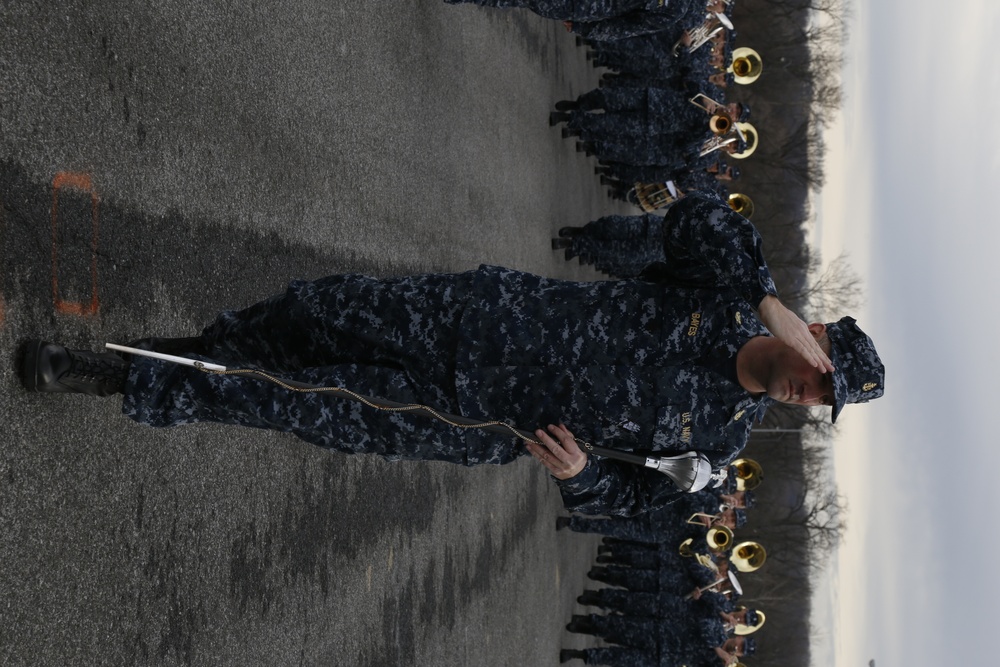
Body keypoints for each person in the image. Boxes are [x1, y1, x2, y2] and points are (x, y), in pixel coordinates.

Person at [20, 193, 884, 517]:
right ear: (812, 338)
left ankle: (115, 375)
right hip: (466, 313)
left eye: (823, 401)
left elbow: (638, 498)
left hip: (470, 417)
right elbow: (696, 217)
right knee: (303, 316)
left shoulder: (719, 441)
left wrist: (585, 477)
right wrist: (768, 297)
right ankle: (188, 355)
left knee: (288, 394)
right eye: (822, 374)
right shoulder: (725, 289)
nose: (810, 393)